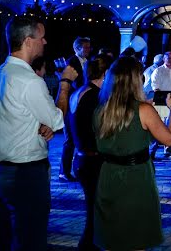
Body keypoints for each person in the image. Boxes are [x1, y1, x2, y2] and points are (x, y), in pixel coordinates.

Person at [0, 15, 78, 250]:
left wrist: (35, 124)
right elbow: (57, 119)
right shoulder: (29, 80)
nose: (45, 43)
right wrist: (65, 83)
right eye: (41, 37)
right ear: (27, 41)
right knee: (30, 240)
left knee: (0, 239)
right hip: (24, 174)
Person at [93, 56, 171, 250]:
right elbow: (170, 139)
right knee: (136, 238)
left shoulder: (101, 109)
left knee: (112, 237)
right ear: (135, 80)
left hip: (108, 175)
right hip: (136, 178)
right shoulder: (143, 110)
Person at [69, 54, 111, 251]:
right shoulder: (95, 96)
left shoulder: (79, 92)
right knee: (96, 213)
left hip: (82, 158)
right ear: (104, 73)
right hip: (93, 159)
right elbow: (102, 130)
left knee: (94, 210)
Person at [60, 36, 92, 182]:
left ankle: (74, 169)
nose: (88, 50)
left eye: (88, 47)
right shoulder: (72, 62)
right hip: (72, 103)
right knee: (70, 139)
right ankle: (63, 171)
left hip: (81, 103)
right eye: (85, 47)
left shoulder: (87, 62)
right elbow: (73, 83)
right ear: (77, 48)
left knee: (78, 138)